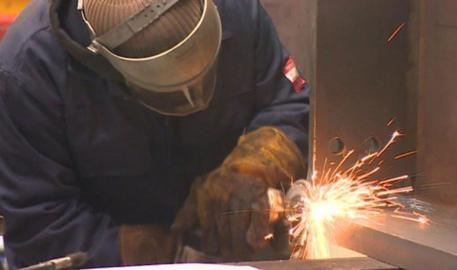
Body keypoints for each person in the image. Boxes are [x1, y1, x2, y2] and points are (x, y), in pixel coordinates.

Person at [0, 0, 309, 268]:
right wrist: (164, 254)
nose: (194, 99)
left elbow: (286, 102)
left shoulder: (237, 11)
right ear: (108, 62)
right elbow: (40, 222)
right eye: (171, 92)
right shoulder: (28, 71)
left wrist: (255, 168)